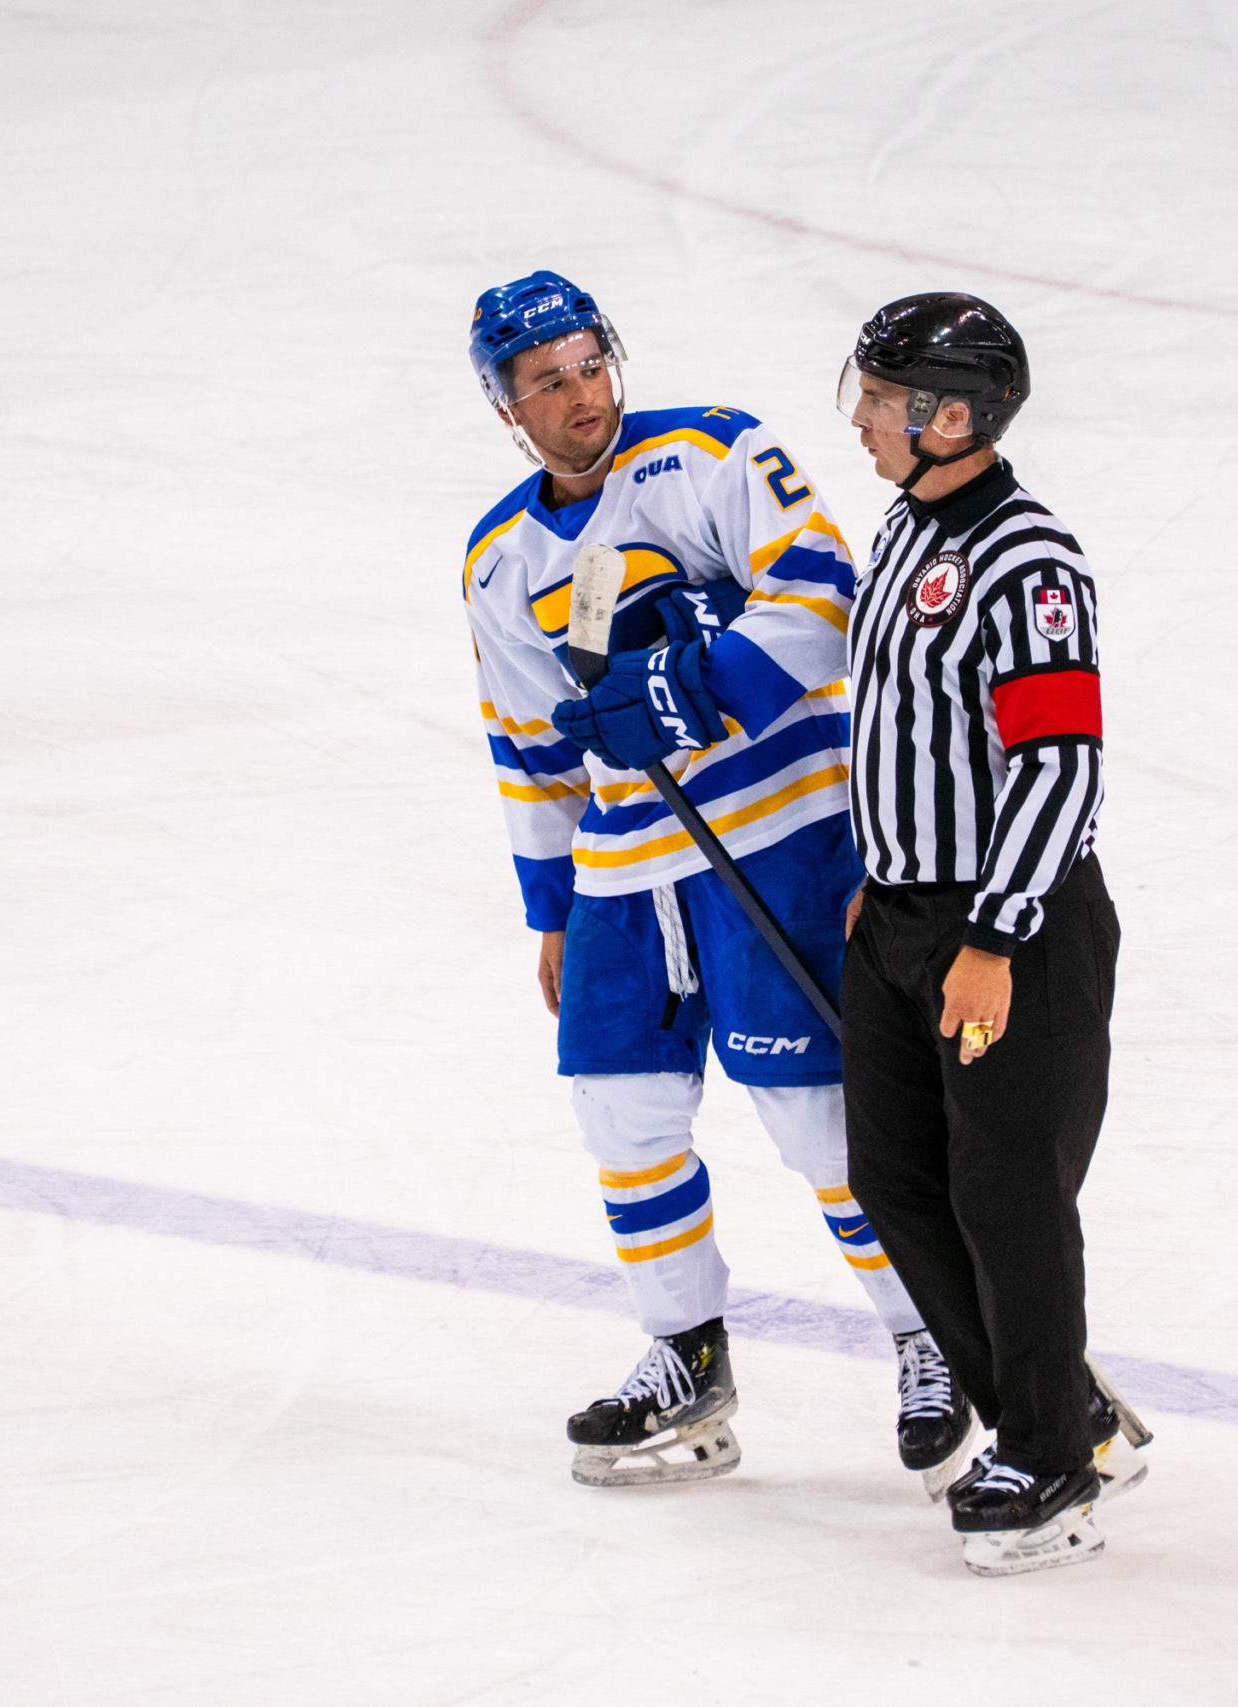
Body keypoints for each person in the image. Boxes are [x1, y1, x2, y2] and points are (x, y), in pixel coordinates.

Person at [462, 270, 968, 1491]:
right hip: (625, 875)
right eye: (547, 382)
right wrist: (551, 913)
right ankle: (683, 1353)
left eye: (589, 364)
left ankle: (929, 1334)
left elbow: (822, 593)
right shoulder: (498, 558)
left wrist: (692, 687)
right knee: (620, 1114)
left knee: (817, 1116)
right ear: (506, 406)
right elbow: (530, 751)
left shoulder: (710, 454)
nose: (580, 395)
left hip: (779, 833)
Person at [834, 292, 1139, 1575]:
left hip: (1003, 931)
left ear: (947, 417)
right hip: (903, 920)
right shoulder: (904, 528)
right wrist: (883, 881)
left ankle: (1052, 1454)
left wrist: (993, 936)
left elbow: (1060, 765)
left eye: (879, 394)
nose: (857, 414)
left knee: (1006, 1191)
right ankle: (1050, 1405)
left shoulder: (1029, 561)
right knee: (898, 1182)